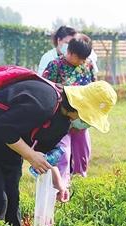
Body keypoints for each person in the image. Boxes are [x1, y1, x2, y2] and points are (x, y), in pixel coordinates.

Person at [0, 79, 117, 226]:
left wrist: (57, 179)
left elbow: (41, 153)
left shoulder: (63, 123)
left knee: (12, 201)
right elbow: (4, 128)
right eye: (88, 117)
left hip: (8, 145)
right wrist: (30, 155)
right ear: (79, 107)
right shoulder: (44, 101)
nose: (86, 123)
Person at [42, 34, 94, 184]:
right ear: (70, 52)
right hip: (60, 119)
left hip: (81, 120)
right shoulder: (55, 66)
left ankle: (80, 186)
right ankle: (62, 187)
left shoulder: (87, 66)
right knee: (63, 155)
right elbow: (45, 91)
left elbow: (93, 88)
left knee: (82, 155)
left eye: (85, 58)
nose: (83, 61)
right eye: (80, 58)